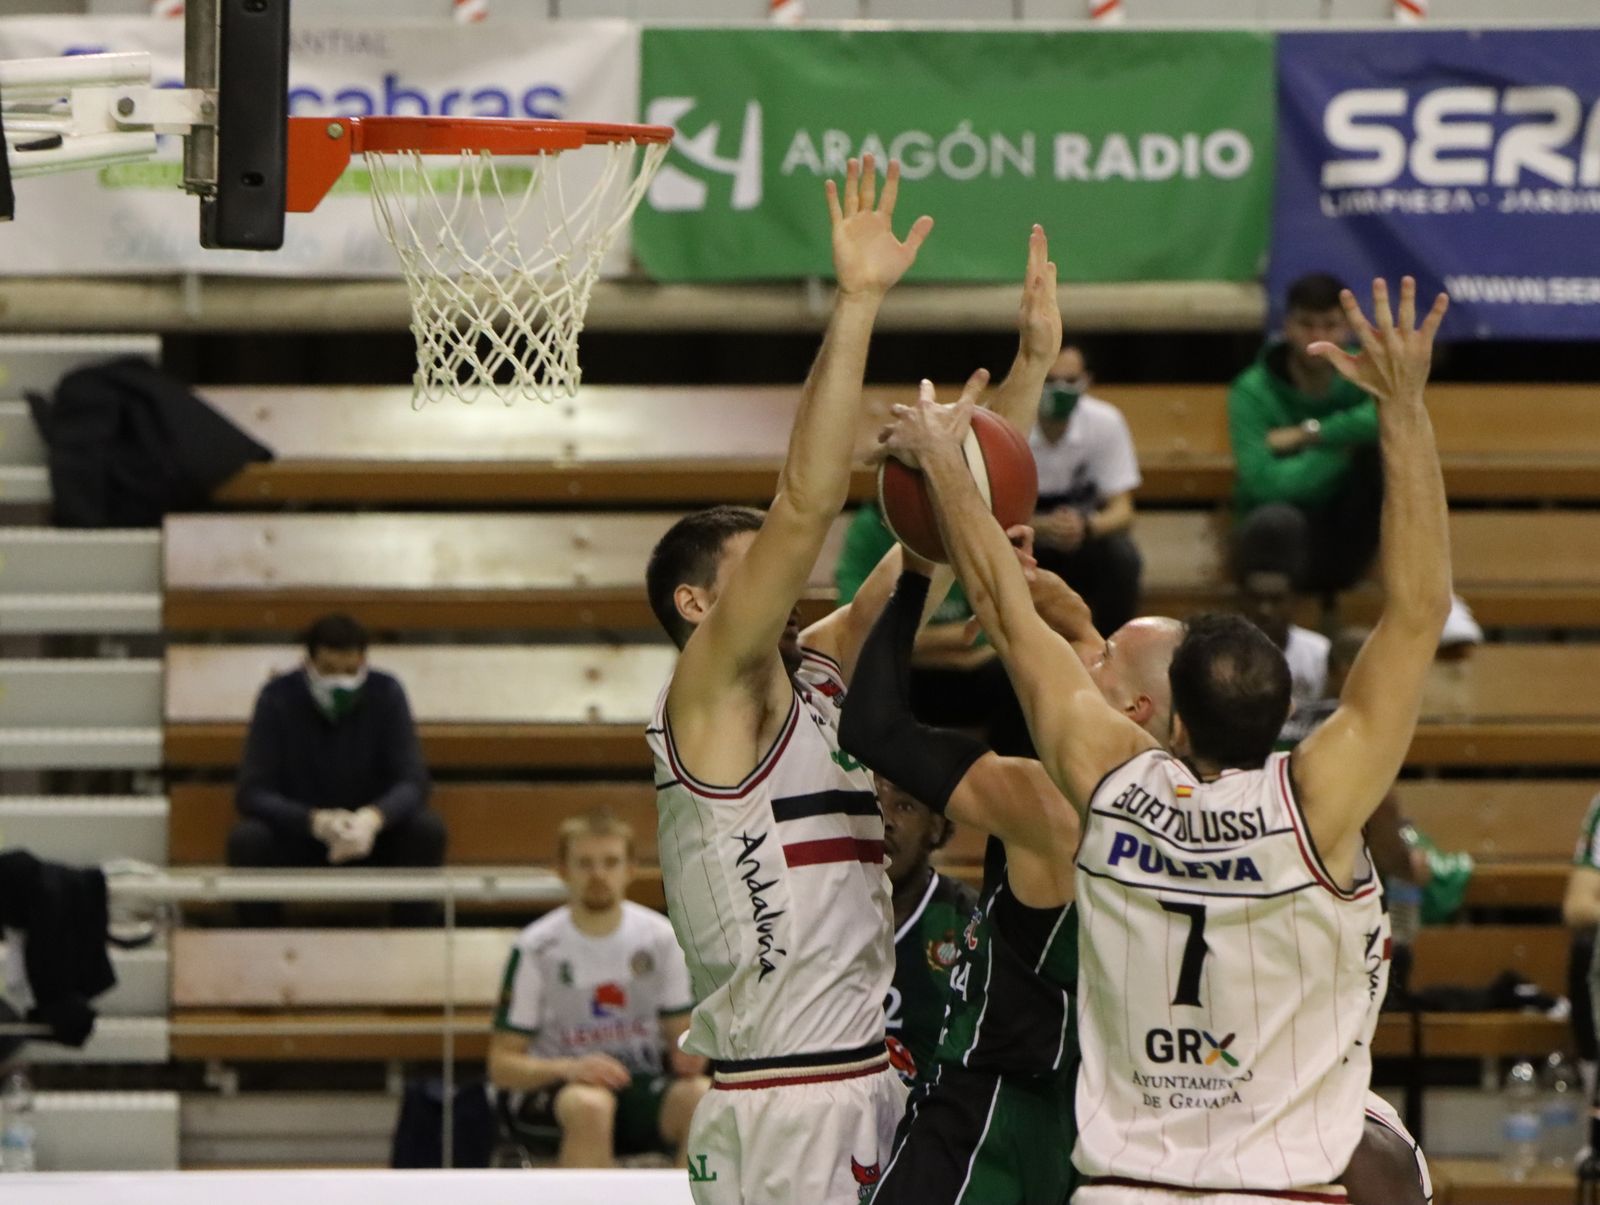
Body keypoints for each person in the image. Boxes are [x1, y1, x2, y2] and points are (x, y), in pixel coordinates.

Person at [882, 275, 1452, 1203]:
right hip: (1280, 1191)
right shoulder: (1319, 801)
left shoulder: (1113, 789)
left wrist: (947, 461)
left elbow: (999, 603)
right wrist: (1405, 407)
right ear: (1288, 713)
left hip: (1128, 1187)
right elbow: (1421, 609)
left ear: (1173, 722)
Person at [641, 160, 1058, 1205]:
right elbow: (802, 498)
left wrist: (1026, 376)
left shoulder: (817, 670)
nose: (786, 576)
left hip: (866, 1078)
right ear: (699, 605)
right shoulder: (710, 694)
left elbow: (948, 507)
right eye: (750, 567)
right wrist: (859, 300)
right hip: (783, 1101)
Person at [841, 542, 1181, 1205]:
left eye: (1104, 655)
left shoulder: (1049, 805)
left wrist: (917, 571)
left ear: (1133, 706)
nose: (1086, 657)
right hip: (1099, 1119)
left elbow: (874, 725)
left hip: (993, 1112)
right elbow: (1094, 701)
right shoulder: (1199, 813)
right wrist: (1078, 626)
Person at [488, 811, 706, 1169]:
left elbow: (681, 1037)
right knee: (591, 1107)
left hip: (638, 1084)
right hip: (558, 1091)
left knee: (701, 1098)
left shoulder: (662, 938)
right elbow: (502, 1065)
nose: (599, 875)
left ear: (631, 869)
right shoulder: (536, 947)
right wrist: (571, 1068)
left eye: (610, 862)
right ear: (562, 870)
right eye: (585, 864)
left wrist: (690, 1051)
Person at [227, 613, 443, 926]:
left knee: (426, 831)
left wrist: (373, 818)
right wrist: (314, 822)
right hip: (301, 838)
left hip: (372, 840)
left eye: (350, 671)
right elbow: (252, 792)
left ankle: (412, 943)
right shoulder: (277, 698)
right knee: (247, 841)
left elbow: (413, 780)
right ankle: (261, 946)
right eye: (328, 671)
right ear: (308, 663)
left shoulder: (387, 693)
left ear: (363, 662)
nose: (340, 680)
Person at [1229, 272, 1383, 601]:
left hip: (1348, 529)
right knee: (1275, 521)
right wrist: (1343, 449)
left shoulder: (1365, 372)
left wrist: (1307, 434)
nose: (1317, 337)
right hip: (1276, 535)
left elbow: (1386, 418)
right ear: (1286, 325)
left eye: (1329, 325)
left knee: (1383, 461)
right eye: (1306, 324)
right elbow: (1262, 481)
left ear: (1347, 328)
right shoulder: (1251, 389)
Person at [1029, 344, 1144, 634]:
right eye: (1049, 380)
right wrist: (1041, 527)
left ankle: (1109, 650)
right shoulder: (1008, 423)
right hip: (1023, 540)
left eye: (1069, 382)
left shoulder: (1105, 422)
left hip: (1081, 538)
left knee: (1122, 557)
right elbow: (986, 512)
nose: (1059, 390)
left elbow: (1123, 510)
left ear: (1086, 382)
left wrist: (1085, 525)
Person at [877, 773, 979, 1089]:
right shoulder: (821, 914)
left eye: (904, 806)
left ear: (935, 826)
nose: (885, 820)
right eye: (874, 803)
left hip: (934, 1123)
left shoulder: (967, 922)